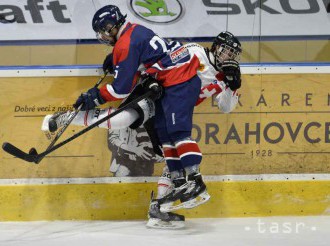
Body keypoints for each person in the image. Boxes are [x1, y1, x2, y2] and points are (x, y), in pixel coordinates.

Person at [42, 4, 185, 229]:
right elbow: (144, 60)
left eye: (102, 31)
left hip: (165, 93)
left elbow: (120, 89)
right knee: (131, 124)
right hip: (162, 92)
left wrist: (95, 95)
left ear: (111, 27)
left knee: (172, 153)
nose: (101, 36)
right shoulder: (137, 30)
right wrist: (121, 63)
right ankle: (64, 118)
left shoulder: (125, 43)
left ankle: (159, 209)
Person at [144, 31, 242, 213]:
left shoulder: (226, 74)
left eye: (233, 54)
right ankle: (186, 187)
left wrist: (233, 86)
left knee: (171, 157)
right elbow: (168, 60)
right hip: (156, 101)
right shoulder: (196, 51)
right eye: (227, 51)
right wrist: (146, 74)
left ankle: (159, 207)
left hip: (174, 110)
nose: (229, 57)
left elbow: (226, 107)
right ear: (216, 47)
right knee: (175, 144)